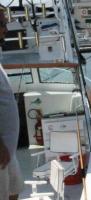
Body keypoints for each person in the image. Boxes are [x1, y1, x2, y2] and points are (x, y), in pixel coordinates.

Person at [0, 5, 24, 200]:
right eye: (1, 24)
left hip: (8, 151)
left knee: (14, 191)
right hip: (1, 151)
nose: (5, 29)